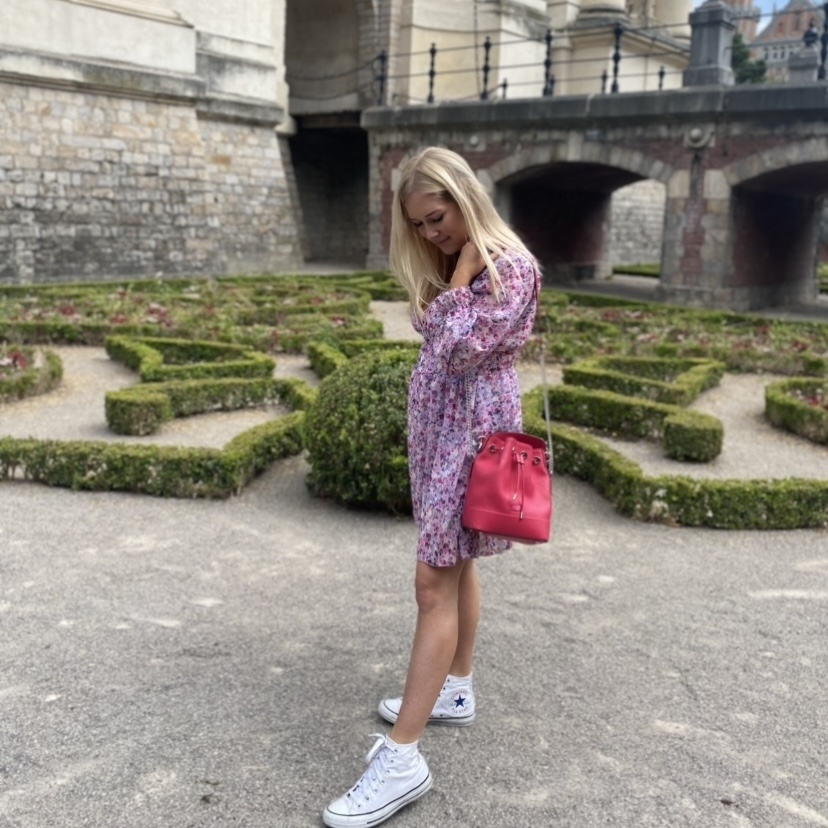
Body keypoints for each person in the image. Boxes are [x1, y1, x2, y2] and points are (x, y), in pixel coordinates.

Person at [322, 146, 540, 828]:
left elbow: (458, 348)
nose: (429, 234)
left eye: (437, 218)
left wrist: (464, 275)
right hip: (442, 431)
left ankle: (402, 757)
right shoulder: (454, 265)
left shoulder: (511, 268)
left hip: (472, 433)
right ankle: (456, 687)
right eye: (417, 224)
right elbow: (430, 324)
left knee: (432, 582)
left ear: (466, 199)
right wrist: (454, 278)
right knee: (456, 564)